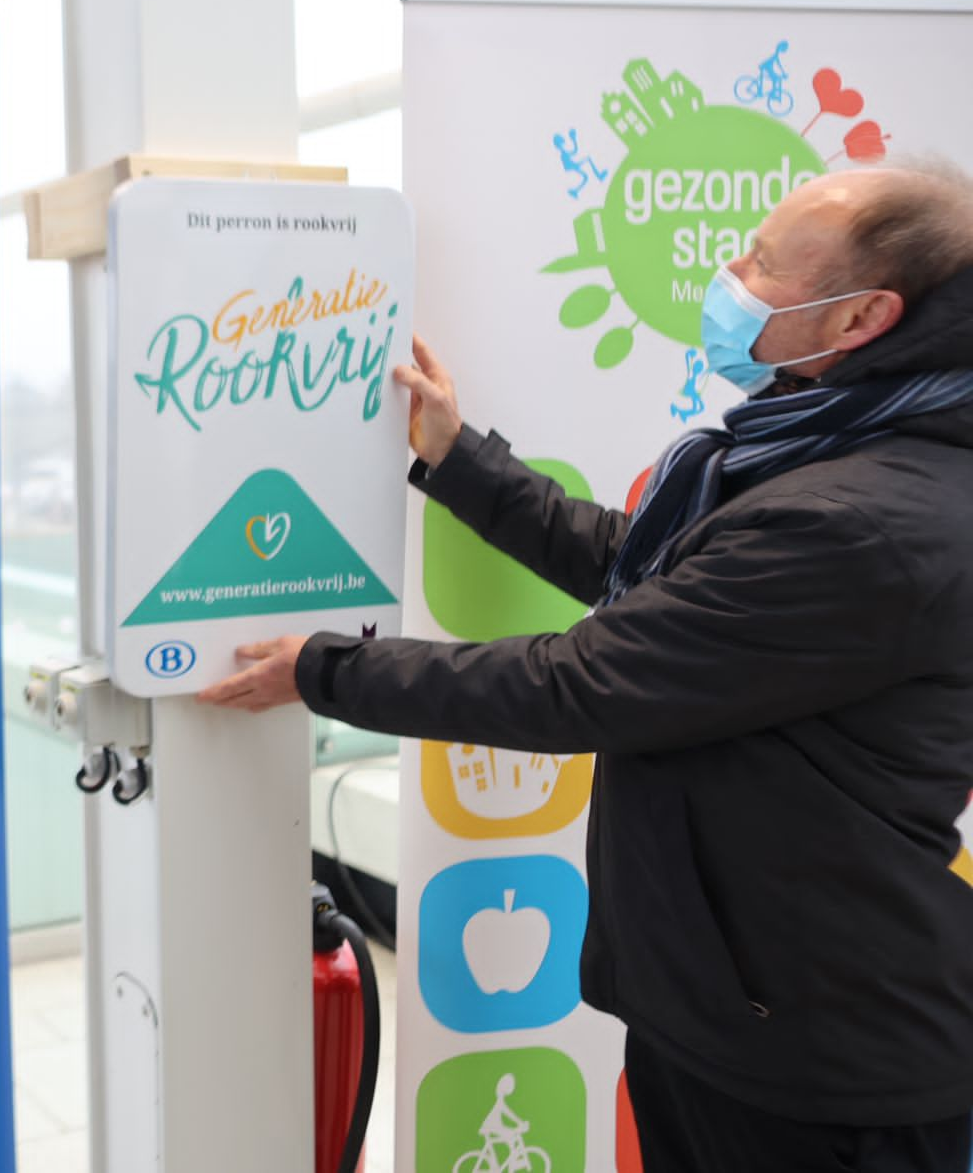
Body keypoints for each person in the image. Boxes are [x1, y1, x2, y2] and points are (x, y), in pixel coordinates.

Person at [201, 161, 973, 1172]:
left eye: (763, 263)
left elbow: (581, 681)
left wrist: (324, 670)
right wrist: (454, 456)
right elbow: (649, 568)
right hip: (746, 994)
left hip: (811, 1047)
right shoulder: (827, 444)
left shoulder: (864, 515)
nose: (728, 274)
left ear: (857, 316)